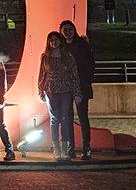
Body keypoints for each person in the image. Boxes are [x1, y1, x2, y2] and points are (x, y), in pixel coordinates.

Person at [37, 30, 81, 161]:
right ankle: (56, 148)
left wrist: (77, 92)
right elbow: (42, 75)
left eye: (56, 40)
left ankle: (65, 148)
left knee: (65, 118)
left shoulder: (67, 56)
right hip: (51, 91)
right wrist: (40, 90)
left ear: (60, 41)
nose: (54, 42)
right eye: (51, 40)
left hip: (66, 90)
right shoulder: (45, 57)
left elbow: (74, 75)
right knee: (54, 119)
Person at [60, 20, 97, 160]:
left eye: (70, 29)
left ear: (74, 30)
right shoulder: (61, 46)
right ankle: (70, 148)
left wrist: (86, 81)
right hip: (65, 87)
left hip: (81, 86)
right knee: (67, 118)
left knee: (83, 117)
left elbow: (90, 64)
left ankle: (86, 148)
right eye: (65, 30)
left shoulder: (82, 45)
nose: (68, 32)